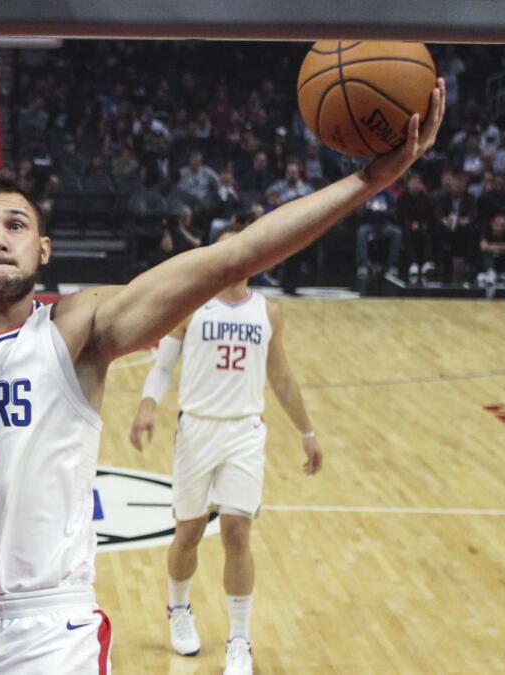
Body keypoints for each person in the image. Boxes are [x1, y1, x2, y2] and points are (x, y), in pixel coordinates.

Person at [0, 81, 446, 675]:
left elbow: (233, 255)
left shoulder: (78, 329)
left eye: (15, 224)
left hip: (49, 626)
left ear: (43, 248)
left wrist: (370, 182)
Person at [127, 223, 323, 675]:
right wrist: (147, 405)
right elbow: (162, 364)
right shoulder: (192, 306)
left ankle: (239, 640)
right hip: (196, 430)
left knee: (237, 532)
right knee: (189, 533)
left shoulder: (268, 312)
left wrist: (307, 433)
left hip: (244, 432)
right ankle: (178, 609)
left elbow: (282, 377)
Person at [477, 212, 505, 285]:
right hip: (491, 263)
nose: (499, 228)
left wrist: (493, 247)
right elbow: (483, 247)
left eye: (502, 225)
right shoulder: (486, 231)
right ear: (492, 224)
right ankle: (490, 273)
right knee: (486, 252)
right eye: (497, 225)